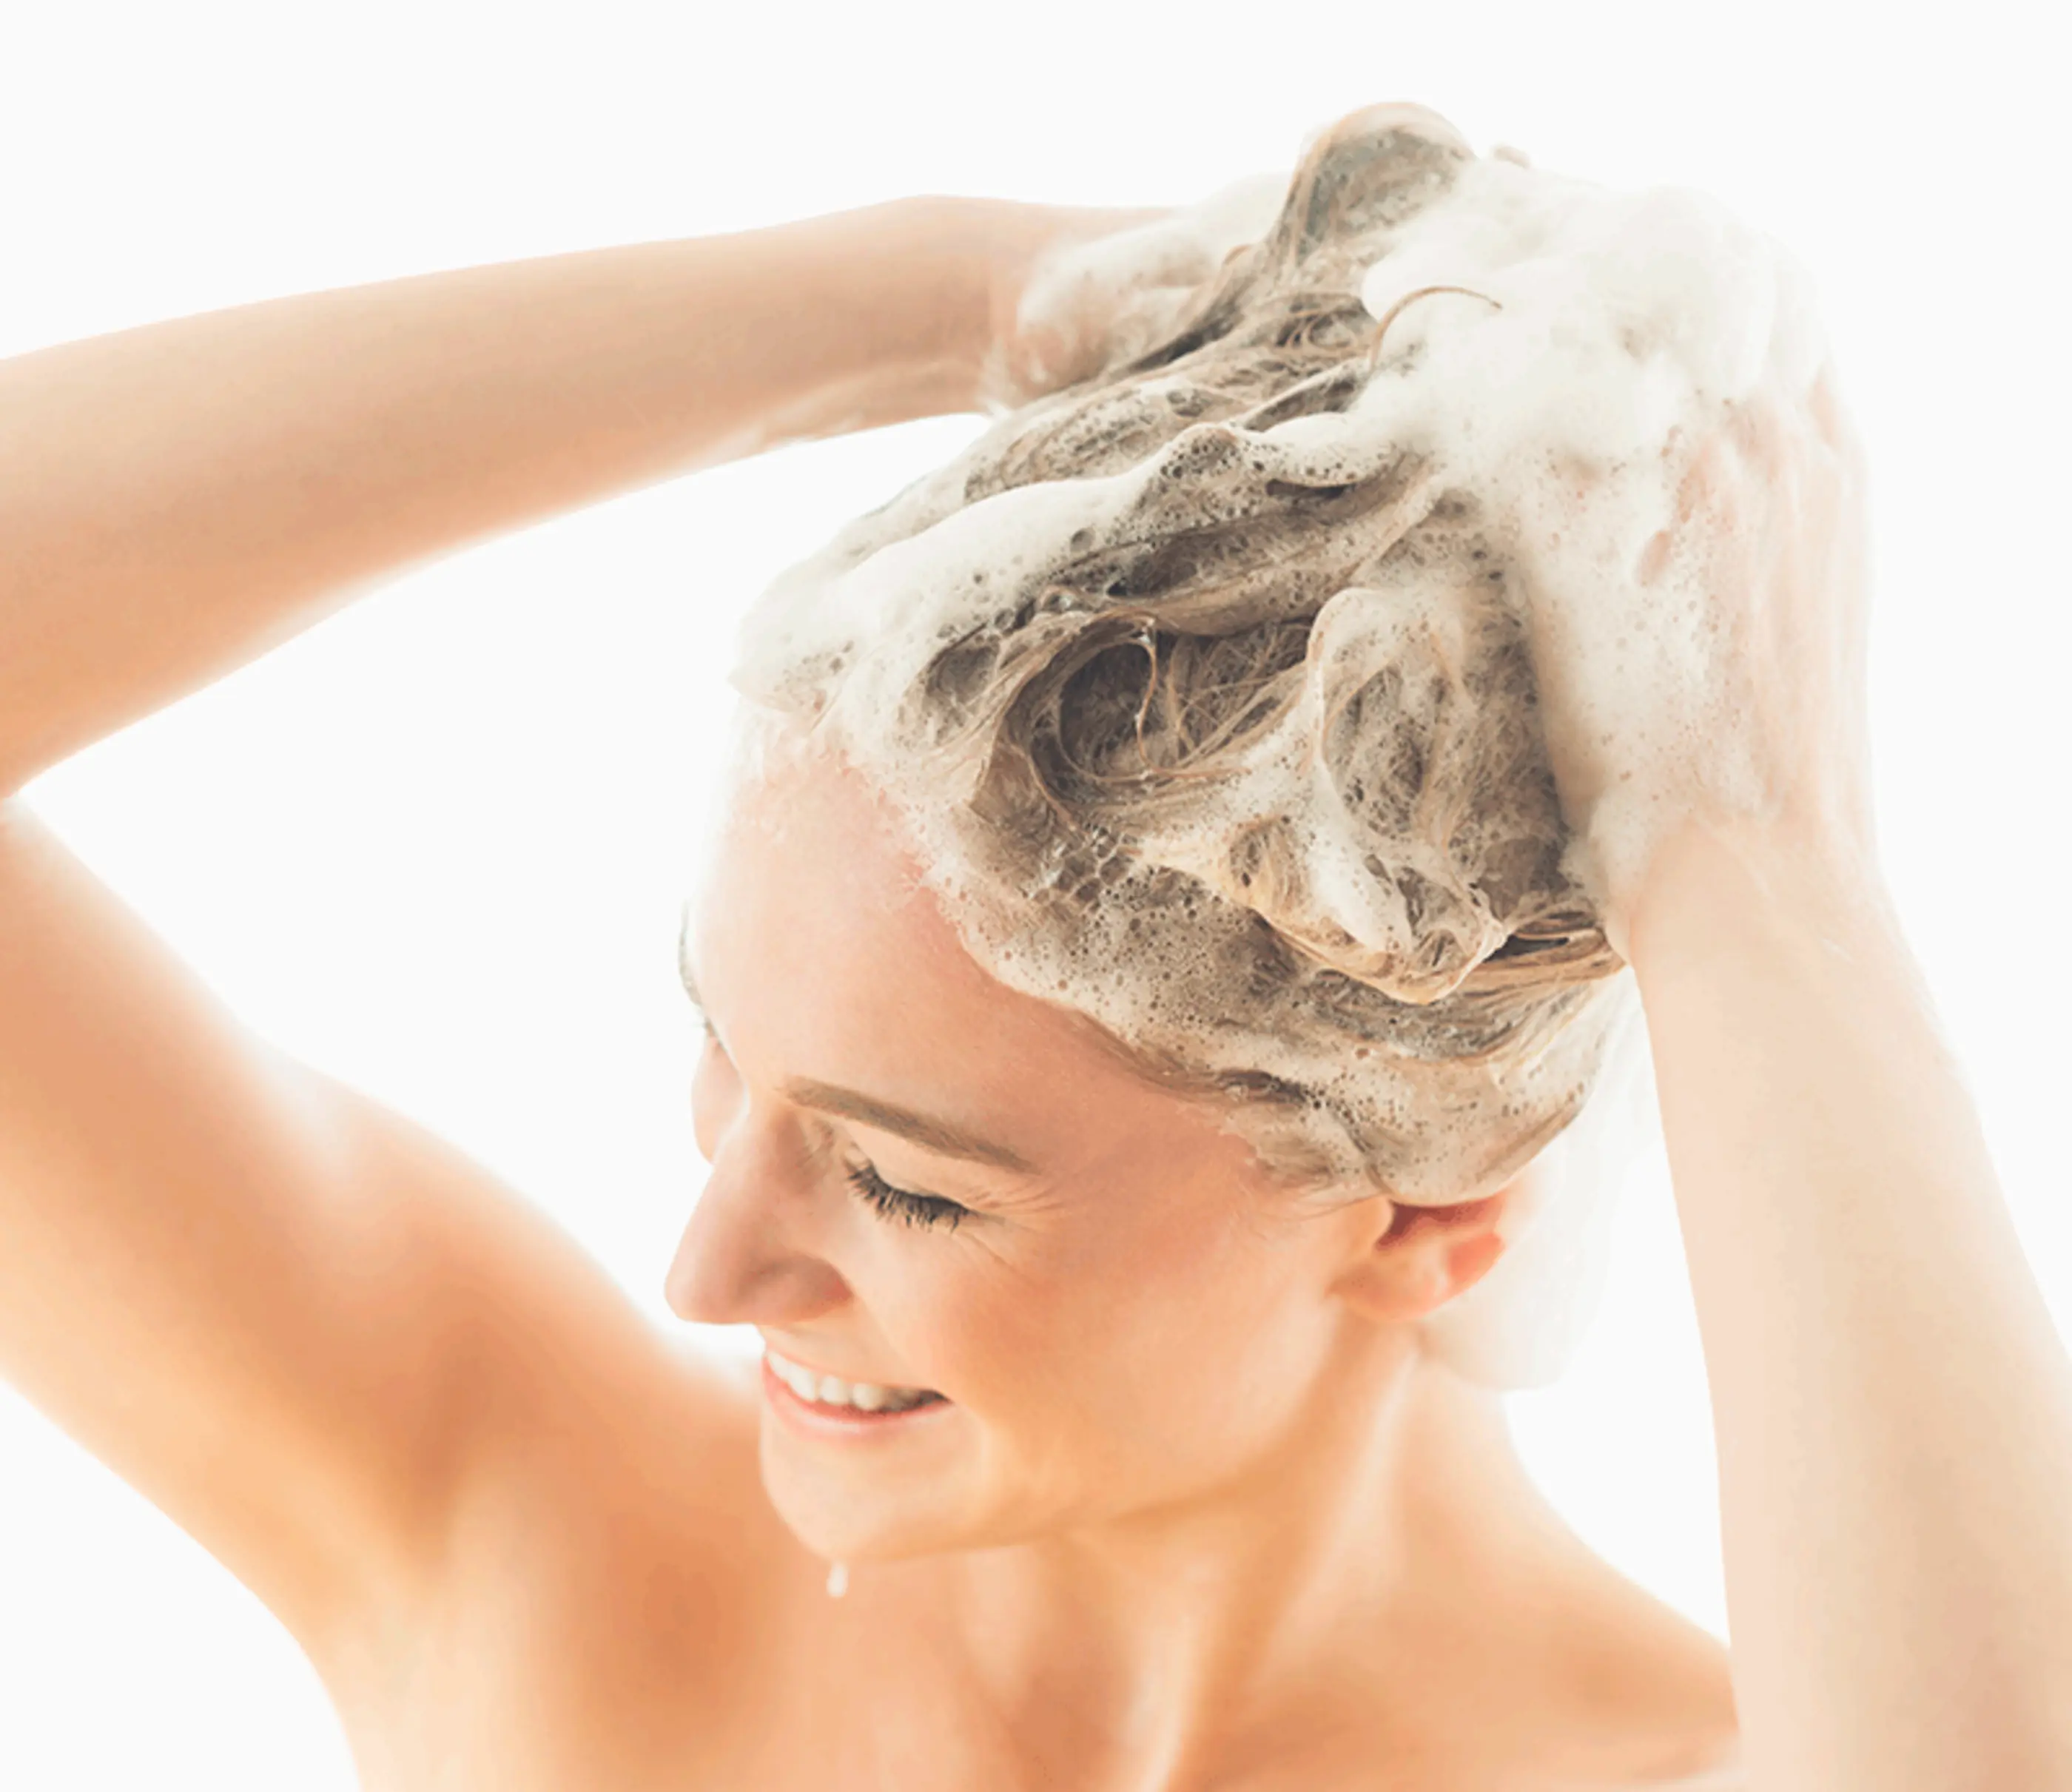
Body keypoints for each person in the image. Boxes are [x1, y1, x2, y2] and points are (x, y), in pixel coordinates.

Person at [1, 100, 2068, 1792]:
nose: (709, 1268)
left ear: (1437, 1210)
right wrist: (960, 297)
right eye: (724, 1048)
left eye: (908, 1178)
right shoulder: (537, 1555)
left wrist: (1752, 854)